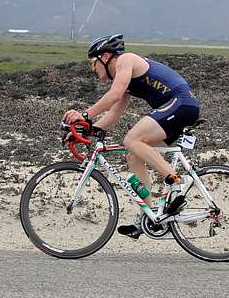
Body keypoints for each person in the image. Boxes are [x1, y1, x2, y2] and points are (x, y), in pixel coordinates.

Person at [61, 34, 201, 239]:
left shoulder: (126, 60)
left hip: (180, 103)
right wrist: (87, 129)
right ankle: (150, 217)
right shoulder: (125, 80)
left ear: (106, 56)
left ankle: (175, 180)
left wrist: (84, 115)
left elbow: (114, 95)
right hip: (176, 108)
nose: (92, 68)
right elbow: (114, 113)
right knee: (134, 156)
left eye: (93, 62)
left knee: (132, 140)